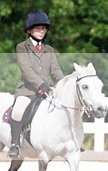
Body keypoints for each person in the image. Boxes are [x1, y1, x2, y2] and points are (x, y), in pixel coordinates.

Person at [8, 11, 65, 158]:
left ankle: (69, 142)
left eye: (44, 28)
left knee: (64, 110)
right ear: (29, 30)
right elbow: (26, 71)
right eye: (38, 28)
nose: (42, 31)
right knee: (18, 110)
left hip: (47, 91)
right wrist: (40, 84)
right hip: (27, 90)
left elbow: (56, 70)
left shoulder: (49, 50)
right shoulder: (22, 47)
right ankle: (15, 144)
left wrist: (65, 83)